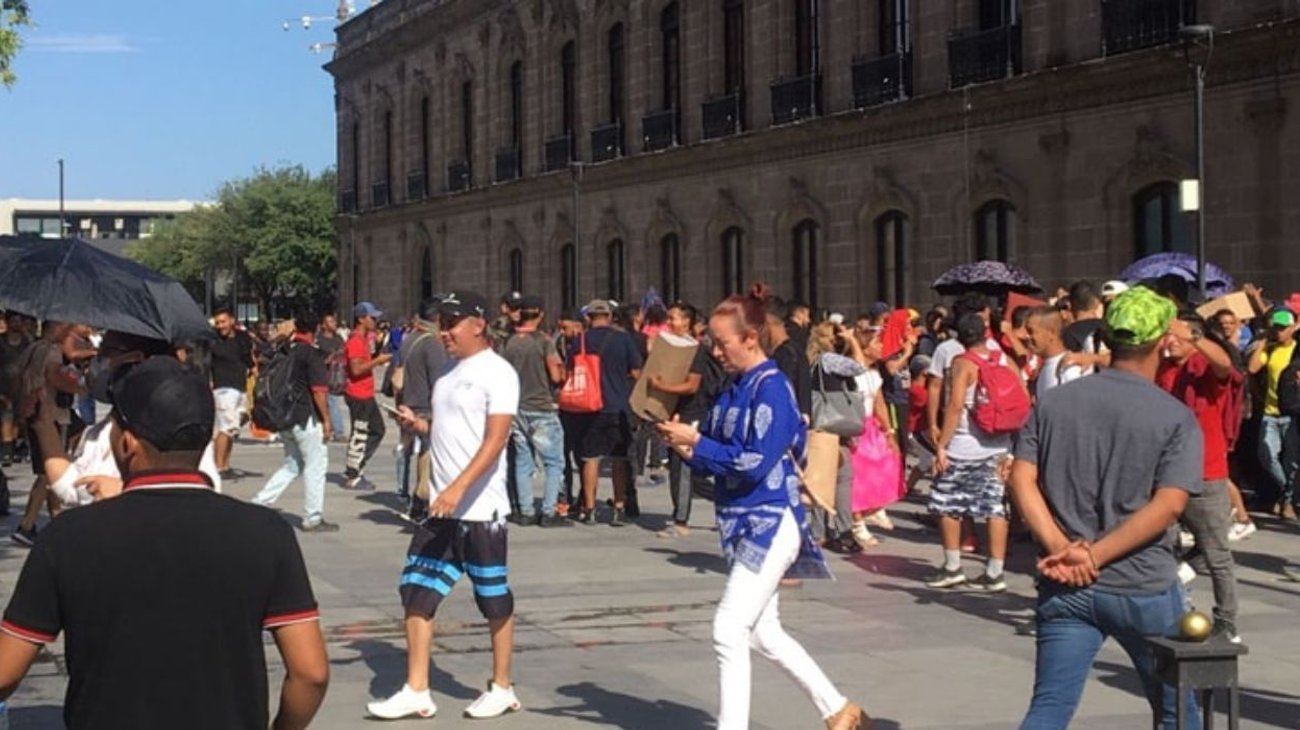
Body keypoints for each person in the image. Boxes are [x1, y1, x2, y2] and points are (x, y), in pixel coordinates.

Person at [0, 356, 329, 730]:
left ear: (128, 443)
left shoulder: (69, 537)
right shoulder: (266, 532)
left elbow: (5, 673)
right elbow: (310, 673)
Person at [657, 284, 867, 730]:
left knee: (727, 628)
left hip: (769, 521)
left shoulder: (772, 390)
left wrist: (696, 444)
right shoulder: (734, 386)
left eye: (722, 342)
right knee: (763, 632)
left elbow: (753, 462)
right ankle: (839, 709)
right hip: (740, 520)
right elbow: (715, 447)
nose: (715, 351)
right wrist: (682, 442)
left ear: (751, 337)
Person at [1009, 286, 1201, 729]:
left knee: (1049, 708)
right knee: (1177, 711)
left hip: (1065, 583)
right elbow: (1169, 505)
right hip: (1142, 584)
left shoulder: (1054, 403)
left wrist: (1061, 547)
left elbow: (1022, 478)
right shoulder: (1173, 416)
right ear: (1159, 344)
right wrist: (1094, 555)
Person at [372, 291, 522, 721]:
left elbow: (495, 439)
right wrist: (419, 424)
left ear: (478, 324)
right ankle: (417, 688)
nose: (444, 331)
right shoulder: (448, 373)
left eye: (452, 322)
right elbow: (452, 427)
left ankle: (502, 686)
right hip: (441, 508)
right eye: (441, 321)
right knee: (416, 592)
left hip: (480, 509)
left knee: (493, 598)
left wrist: (458, 487)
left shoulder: (498, 373)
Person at [1157, 312, 1243, 642]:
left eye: (1177, 335)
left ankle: (1226, 621)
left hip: (1207, 474)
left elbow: (1224, 367)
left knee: (1217, 554)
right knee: (1162, 546)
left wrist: (1192, 337)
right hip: (1167, 474)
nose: (1171, 340)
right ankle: (1177, 607)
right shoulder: (1162, 368)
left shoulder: (1202, 368)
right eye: (1168, 335)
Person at [926, 314, 1018, 592]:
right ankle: (994, 573)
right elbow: (1023, 396)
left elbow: (954, 407)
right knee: (995, 509)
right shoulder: (1003, 358)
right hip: (999, 445)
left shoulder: (961, 362)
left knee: (947, 503)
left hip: (964, 446)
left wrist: (942, 445)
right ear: (984, 333)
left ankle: (953, 567)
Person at [251, 311, 338, 533]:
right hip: (304, 417)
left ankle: (260, 503)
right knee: (316, 464)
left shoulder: (286, 349)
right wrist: (327, 421)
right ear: (316, 329)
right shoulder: (311, 354)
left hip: (284, 415)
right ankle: (313, 516)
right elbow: (319, 391)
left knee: (293, 464)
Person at [567, 299, 643, 526]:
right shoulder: (623, 339)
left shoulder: (580, 340)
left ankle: (589, 509)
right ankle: (618, 509)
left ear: (588, 318)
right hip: (618, 405)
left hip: (588, 406)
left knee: (590, 458)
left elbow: (570, 370)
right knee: (619, 459)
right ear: (609, 317)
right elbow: (637, 371)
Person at [11, 321, 81, 547]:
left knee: (48, 468)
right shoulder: (52, 350)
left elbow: (16, 375)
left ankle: (57, 519)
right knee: (48, 471)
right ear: (58, 328)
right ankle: (27, 525)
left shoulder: (32, 348)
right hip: (51, 415)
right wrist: (78, 387)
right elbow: (54, 376)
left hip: (33, 412)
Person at [649, 302, 715, 538]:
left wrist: (660, 386)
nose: (669, 323)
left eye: (673, 318)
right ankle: (725, 499)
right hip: (676, 411)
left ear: (687, 322)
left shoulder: (695, 350)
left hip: (693, 412)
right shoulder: (671, 346)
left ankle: (681, 521)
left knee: (684, 466)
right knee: (683, 469)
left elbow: (692, 385)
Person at [501, 295, 568, 526]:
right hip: (541, 406)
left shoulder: (509, 342)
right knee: (553, 462)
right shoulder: (543, 341)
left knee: (523, 461)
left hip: (517, 407)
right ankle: (549, 511)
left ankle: (526, 510)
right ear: (539, 314)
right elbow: (556, 374)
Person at [395, 299, 448, 516]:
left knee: (409, 451)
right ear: (437, 318)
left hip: (408, 402)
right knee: (428, 455)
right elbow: (439, 379)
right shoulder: (431, 343)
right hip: (426, 405)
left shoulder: (410, 338)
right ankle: (421, 501)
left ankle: (406, 495)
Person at [1246, 307, 1299, 518]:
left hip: (1292, 412)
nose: (1278, 332)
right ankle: (1288, 493)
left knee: (1292, 461)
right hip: (1270, 412)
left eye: (1282, 328)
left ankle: (1287, 501)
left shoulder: (1296, 350)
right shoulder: (1271, 349)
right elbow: (1252, 368)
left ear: (1292, 328)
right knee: (1267, 455)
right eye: (1275, 328)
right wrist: (1262, 343)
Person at [343, 302, 392, 491]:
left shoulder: (363, 339)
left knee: (376, 429)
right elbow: (356, 370)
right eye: (372, 318)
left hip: (365, 393)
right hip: (358, 393)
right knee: (360, 432)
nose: (375, 321)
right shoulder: (355, 341)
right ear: (361, 319)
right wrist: (377, 361)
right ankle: (353, 473)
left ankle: (356, 467)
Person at [209, 308, 256, 478]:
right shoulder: (213, 340)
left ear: (232, 321)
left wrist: (253, 368)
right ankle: (219, 467)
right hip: (223, 388)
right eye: (218, 323)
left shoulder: (242, 338)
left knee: (234, 426)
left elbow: (248, 357)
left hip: (240, 386)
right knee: (224, 428)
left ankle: (226, 464)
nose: (221, 326)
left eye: (223, 321)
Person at [1026, 307, 1085, 400]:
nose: (1027, 336)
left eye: (1031, 331)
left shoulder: (1069, 370)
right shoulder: (1044, 368)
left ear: (1052, 333)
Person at [315, 313, 348, 441]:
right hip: (322, 375)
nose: (334, 323)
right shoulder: (319, 340)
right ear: (324, 325)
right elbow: (317, 358)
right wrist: (329, 358)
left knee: (332, 402)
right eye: (330, 322)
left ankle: (335, 430)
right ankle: (336, 431)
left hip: (337, 377)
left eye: (334, 321)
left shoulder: (338, 338)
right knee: (329, 403)